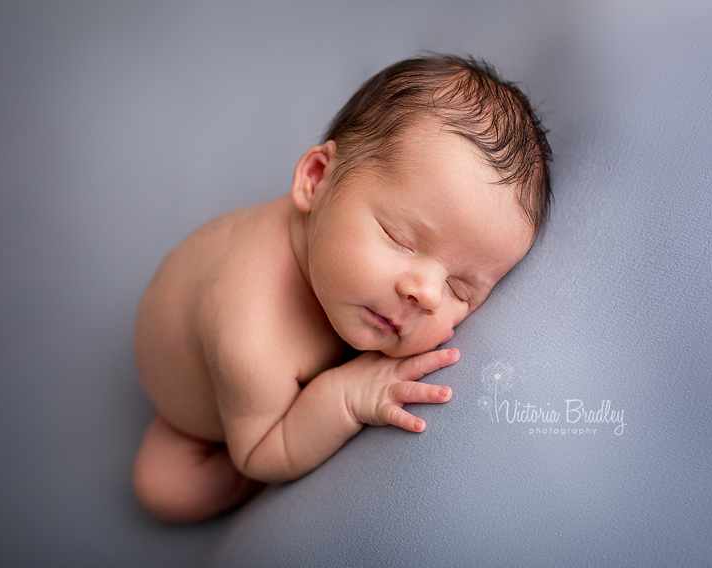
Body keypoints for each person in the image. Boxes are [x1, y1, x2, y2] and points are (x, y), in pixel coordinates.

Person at [131, 53, 552, 522]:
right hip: (208, 415)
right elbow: (263, 454)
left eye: (460, 289)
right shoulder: (252, 338)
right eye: (400, 238)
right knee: (163, 486)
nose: (427, 295)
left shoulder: (344, 263)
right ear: (317, 180)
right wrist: (345, 397)